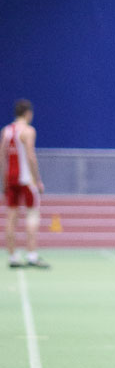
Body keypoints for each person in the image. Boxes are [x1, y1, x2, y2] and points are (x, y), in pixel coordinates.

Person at [1, 99, 49, 269]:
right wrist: (37, 180)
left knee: (11, 218)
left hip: (11, 179)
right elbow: (30, 156)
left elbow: (2, 158)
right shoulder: (28, 131)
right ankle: (31, 255)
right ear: (28, 113)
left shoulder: (6, 131)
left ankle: (12, 256)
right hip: (26, 180)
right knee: (32, 216)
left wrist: (4, 181)